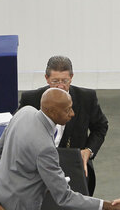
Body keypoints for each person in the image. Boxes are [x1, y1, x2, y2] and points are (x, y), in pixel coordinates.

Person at [0, 88, 120, 210]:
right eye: (67, 109)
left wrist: (25, 177)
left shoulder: (24, 112)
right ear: (52, 111)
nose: (73, 114)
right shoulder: (45, 147)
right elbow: (64, 196)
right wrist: (106, 205)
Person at [18, 55, 108, 194]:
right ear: (46, 78)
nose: (60, 85)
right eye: (55, 81)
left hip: (73, 164)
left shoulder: (86, 98)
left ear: (71, 77)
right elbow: (18, 131)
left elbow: (100, 127)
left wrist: (88, 150)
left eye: (65, 81)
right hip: (39, 166)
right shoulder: (31, 99)